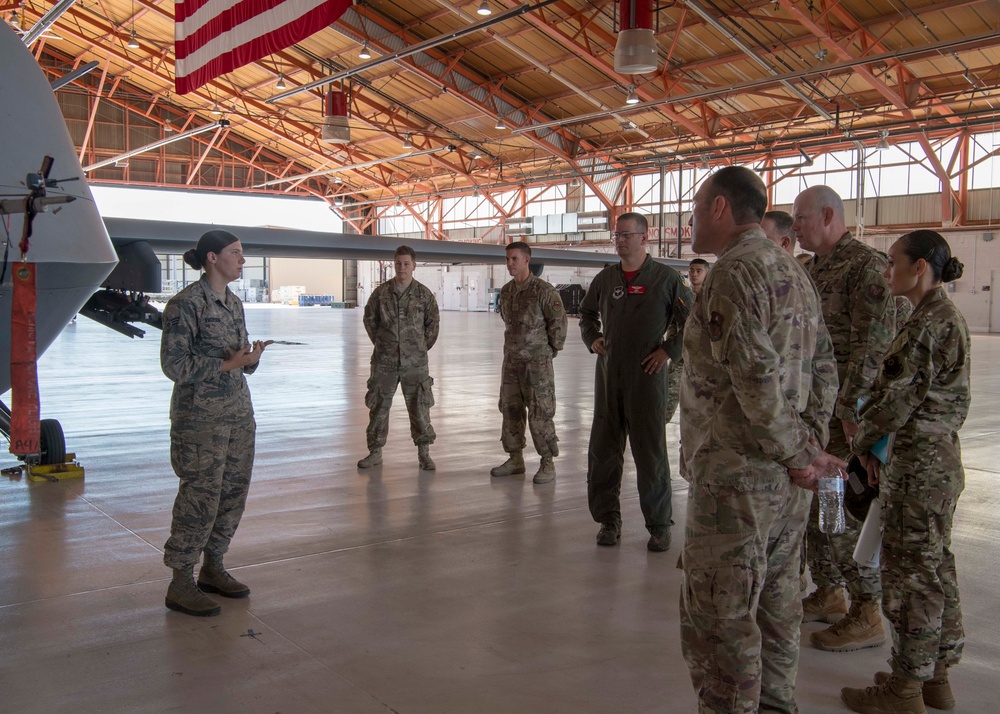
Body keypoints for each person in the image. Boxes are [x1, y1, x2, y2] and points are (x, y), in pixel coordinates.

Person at [679, 166, 842, 713]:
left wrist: (801, 453)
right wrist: (809, 453)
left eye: (697, 207)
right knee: (778, 611)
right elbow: (824, 370)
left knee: (722, 627)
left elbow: (756, 384)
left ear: (721, 208)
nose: (692, 220)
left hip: (737, 485)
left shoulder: (734, 273)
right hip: (787, 487)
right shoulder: (793, 271)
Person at [841, 231, 970, 714]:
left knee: (911, 577)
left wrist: (861, 444)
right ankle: (935, 679)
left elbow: (893, 399)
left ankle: (905, 687)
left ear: (919, 268)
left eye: (893, 262)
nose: (885, 271)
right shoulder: (941, 317)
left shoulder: (926, 326)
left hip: (917, 468)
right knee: (935, 568)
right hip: (936, 465)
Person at [792, 185, 897, 652]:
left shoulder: (865, 266)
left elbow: (873, 348)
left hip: (845, 418)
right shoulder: (813, 269)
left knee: (845, 511)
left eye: (801, 218)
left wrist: (853, 413)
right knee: (820, 509)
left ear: (829, 215)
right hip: (817, 412)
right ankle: (830, 589)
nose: (795, 227)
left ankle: (866, 609)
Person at [161, 230, 271, 617]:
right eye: (236, 253)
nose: (242, 260)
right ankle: (180, 581)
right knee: (200, 497)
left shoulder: (233, 303)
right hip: (200, 419)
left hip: (238, 414)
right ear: (212, 257)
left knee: (232, 492)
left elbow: (236, 358)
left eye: (242, 254)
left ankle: (213, 567)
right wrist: (227, 363)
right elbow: (173, 365)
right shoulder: (185, 304)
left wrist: (249, 359)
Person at [579, 212, 691, 551]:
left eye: (627, 235)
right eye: (618, 234)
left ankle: (659, 525)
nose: (620, 240)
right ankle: (608, 522)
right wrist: (593, 338)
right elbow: (586, 315)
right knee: (603, 453)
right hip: (609, 377)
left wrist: (668, 350)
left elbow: (694, 321)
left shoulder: (667, 279)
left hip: (647, 379)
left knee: (651, 454)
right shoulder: (606, 279)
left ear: (645, 238)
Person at [491, 242, 568, 484]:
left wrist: (546, 353)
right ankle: (516, 459)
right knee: (510, 409)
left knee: (540, 412)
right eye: (507, 259)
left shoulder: (544, 291)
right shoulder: (506, 291)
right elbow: (507, 320)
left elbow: (559, 326)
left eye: (514, 259)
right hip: (512, 363)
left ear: (527, 260)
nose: (509, 264)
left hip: (537, 364)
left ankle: (547, 462)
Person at [358, 246, 440, 470]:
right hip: (385, 362)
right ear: (393, 265)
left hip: (415, 364)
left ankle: (424, 454)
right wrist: (384, 344)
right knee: (379, 407)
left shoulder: (424, 295)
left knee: (420, 408)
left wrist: (418, 348)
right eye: (398, 263)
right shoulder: (381, 293)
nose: (402, 267)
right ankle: (375, 452)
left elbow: (432, 326)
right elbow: (369, 320)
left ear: (414, 266)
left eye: (406, 263)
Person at [665, 259, 709, 423]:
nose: (694, 274)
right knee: (669, 396)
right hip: (681, 357)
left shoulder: (711, 298)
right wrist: (672, 345)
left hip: (703, 360)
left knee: (701, 403)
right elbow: (673, 324)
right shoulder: (682, 296)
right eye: (691, 270)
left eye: (699, 271)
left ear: (707, 273)